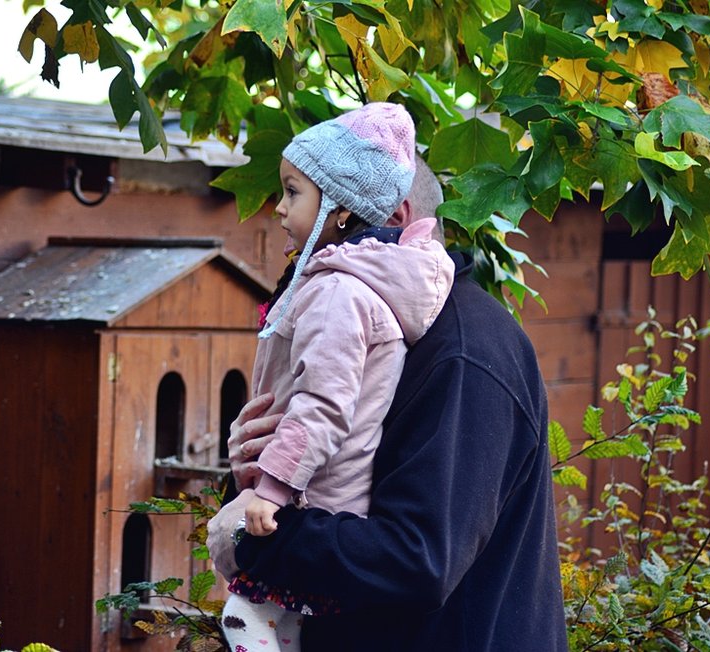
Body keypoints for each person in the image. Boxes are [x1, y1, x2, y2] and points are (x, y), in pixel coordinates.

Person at [207, 159, 570, 651]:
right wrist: (253, 469)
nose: (281, 214)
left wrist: (256, 536)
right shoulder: (366, 332)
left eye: (302, 197)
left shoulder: (463, 353)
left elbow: (416, 561)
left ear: (394, 220)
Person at [217, 102, 455, 652]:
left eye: (293, 191)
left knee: (244, 619)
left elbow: (323, 404)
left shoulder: (335, 292)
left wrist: (271, 491)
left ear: (342, 209)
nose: (278, 208)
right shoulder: (369, 288)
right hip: (332, 493)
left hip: (309, 497)